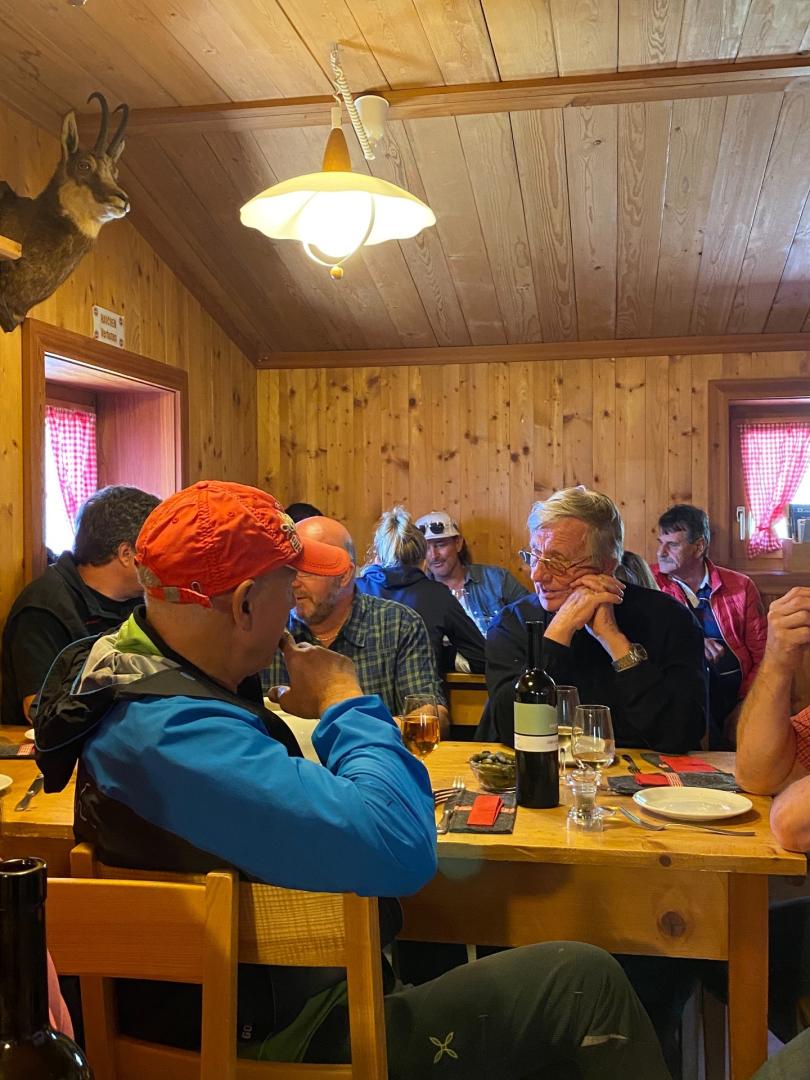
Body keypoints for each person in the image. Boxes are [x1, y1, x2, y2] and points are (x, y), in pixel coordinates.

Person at [34, 479, 671, 1076]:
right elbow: (402, 847)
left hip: (240, 1009)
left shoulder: (129, 675)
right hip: (275, 1039)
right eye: (289, 585)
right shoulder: (170, 737)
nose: (297, 603)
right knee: (583, 981)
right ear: (246, 603)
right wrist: (346, 698)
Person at [478, 486, 706, 751]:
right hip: (543, 769)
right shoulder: (512, 622)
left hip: (640, 773)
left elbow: (681, 734)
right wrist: (558, 632)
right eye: (534, 556)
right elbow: (510, 729)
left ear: (607, 565)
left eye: (557, 562)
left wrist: (614, 641)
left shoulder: (669, 618)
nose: (537, 575)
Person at [1, 484, 159, 724]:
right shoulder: (45, 606)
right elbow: (38, 709)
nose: (165, 560)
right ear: (126, 554)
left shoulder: (149, 600)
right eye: (156, 549)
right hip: (60, 743)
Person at [264, 515, 446, 719]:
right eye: (288, 570)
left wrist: (361, 729)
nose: (293, 582)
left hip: (375, 741)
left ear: (344, 575)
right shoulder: (267, 630)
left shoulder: (399, 625)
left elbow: (429, 715)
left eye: (306, 570)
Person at [653, 503, 766, 748]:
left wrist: (747, 704)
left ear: (699, 546)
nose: (661, 552)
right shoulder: (652, 584)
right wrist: (692, 641)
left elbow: (763, 656)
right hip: (679, 699)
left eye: (672, 544)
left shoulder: (741, 586)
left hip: (736, 696)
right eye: (660, 542)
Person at [357, 507, 485, 676]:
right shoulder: (437, 595)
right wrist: (438, 653)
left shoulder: (353, 591)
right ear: (424, 561)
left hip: (355, 691)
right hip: (420, 691)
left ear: (378, 558)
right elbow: (482, 657)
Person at [415, 510, 528, 635]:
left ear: (458, 543)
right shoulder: (418, 593)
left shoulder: (497, 579)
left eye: (440, 545)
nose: (433, 556)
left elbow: (533, 616)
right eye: (426, 548)